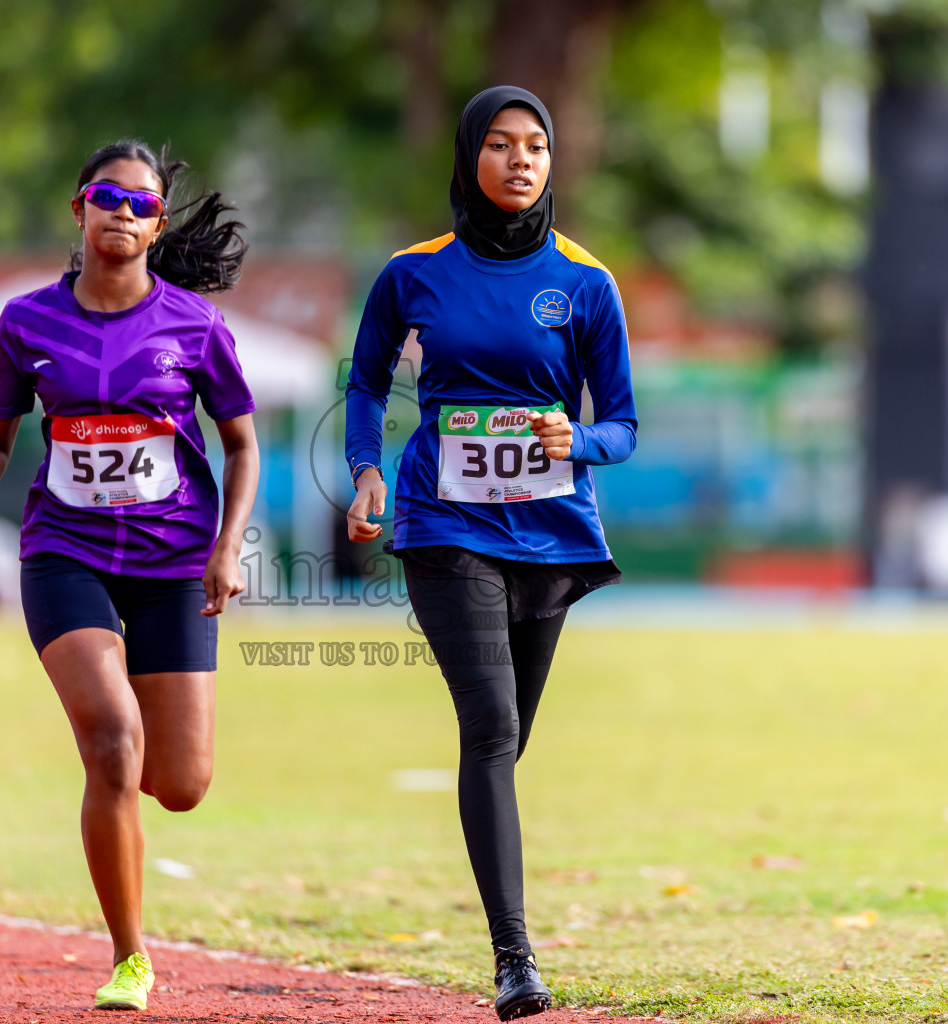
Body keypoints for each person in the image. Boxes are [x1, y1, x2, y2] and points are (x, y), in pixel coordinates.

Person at [0, 140, 259, 1012]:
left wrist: (228, 547)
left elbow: (241, 444)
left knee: (180, 784)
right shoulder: (26, 323)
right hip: (64, 553)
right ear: (77, 209)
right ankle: (129, 957)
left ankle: (116, 780)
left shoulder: (195, 325)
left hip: (173, 563)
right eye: (106, 196)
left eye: (143, 203)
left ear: (158, 225)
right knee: (114, 741)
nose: (123, 211)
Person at [344, 86, 637, 1021]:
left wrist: (577, 442)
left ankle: (504, 926)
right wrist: (366, 472)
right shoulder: (412, 273)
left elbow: (624, 424)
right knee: (493, 730)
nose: (521, 161)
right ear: (470, 155)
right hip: (444, 520)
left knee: (509, 743)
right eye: (502, 145)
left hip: (549, 533)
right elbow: (364, 379)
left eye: (537, 147)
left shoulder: (587, 282)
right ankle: (515, 959)